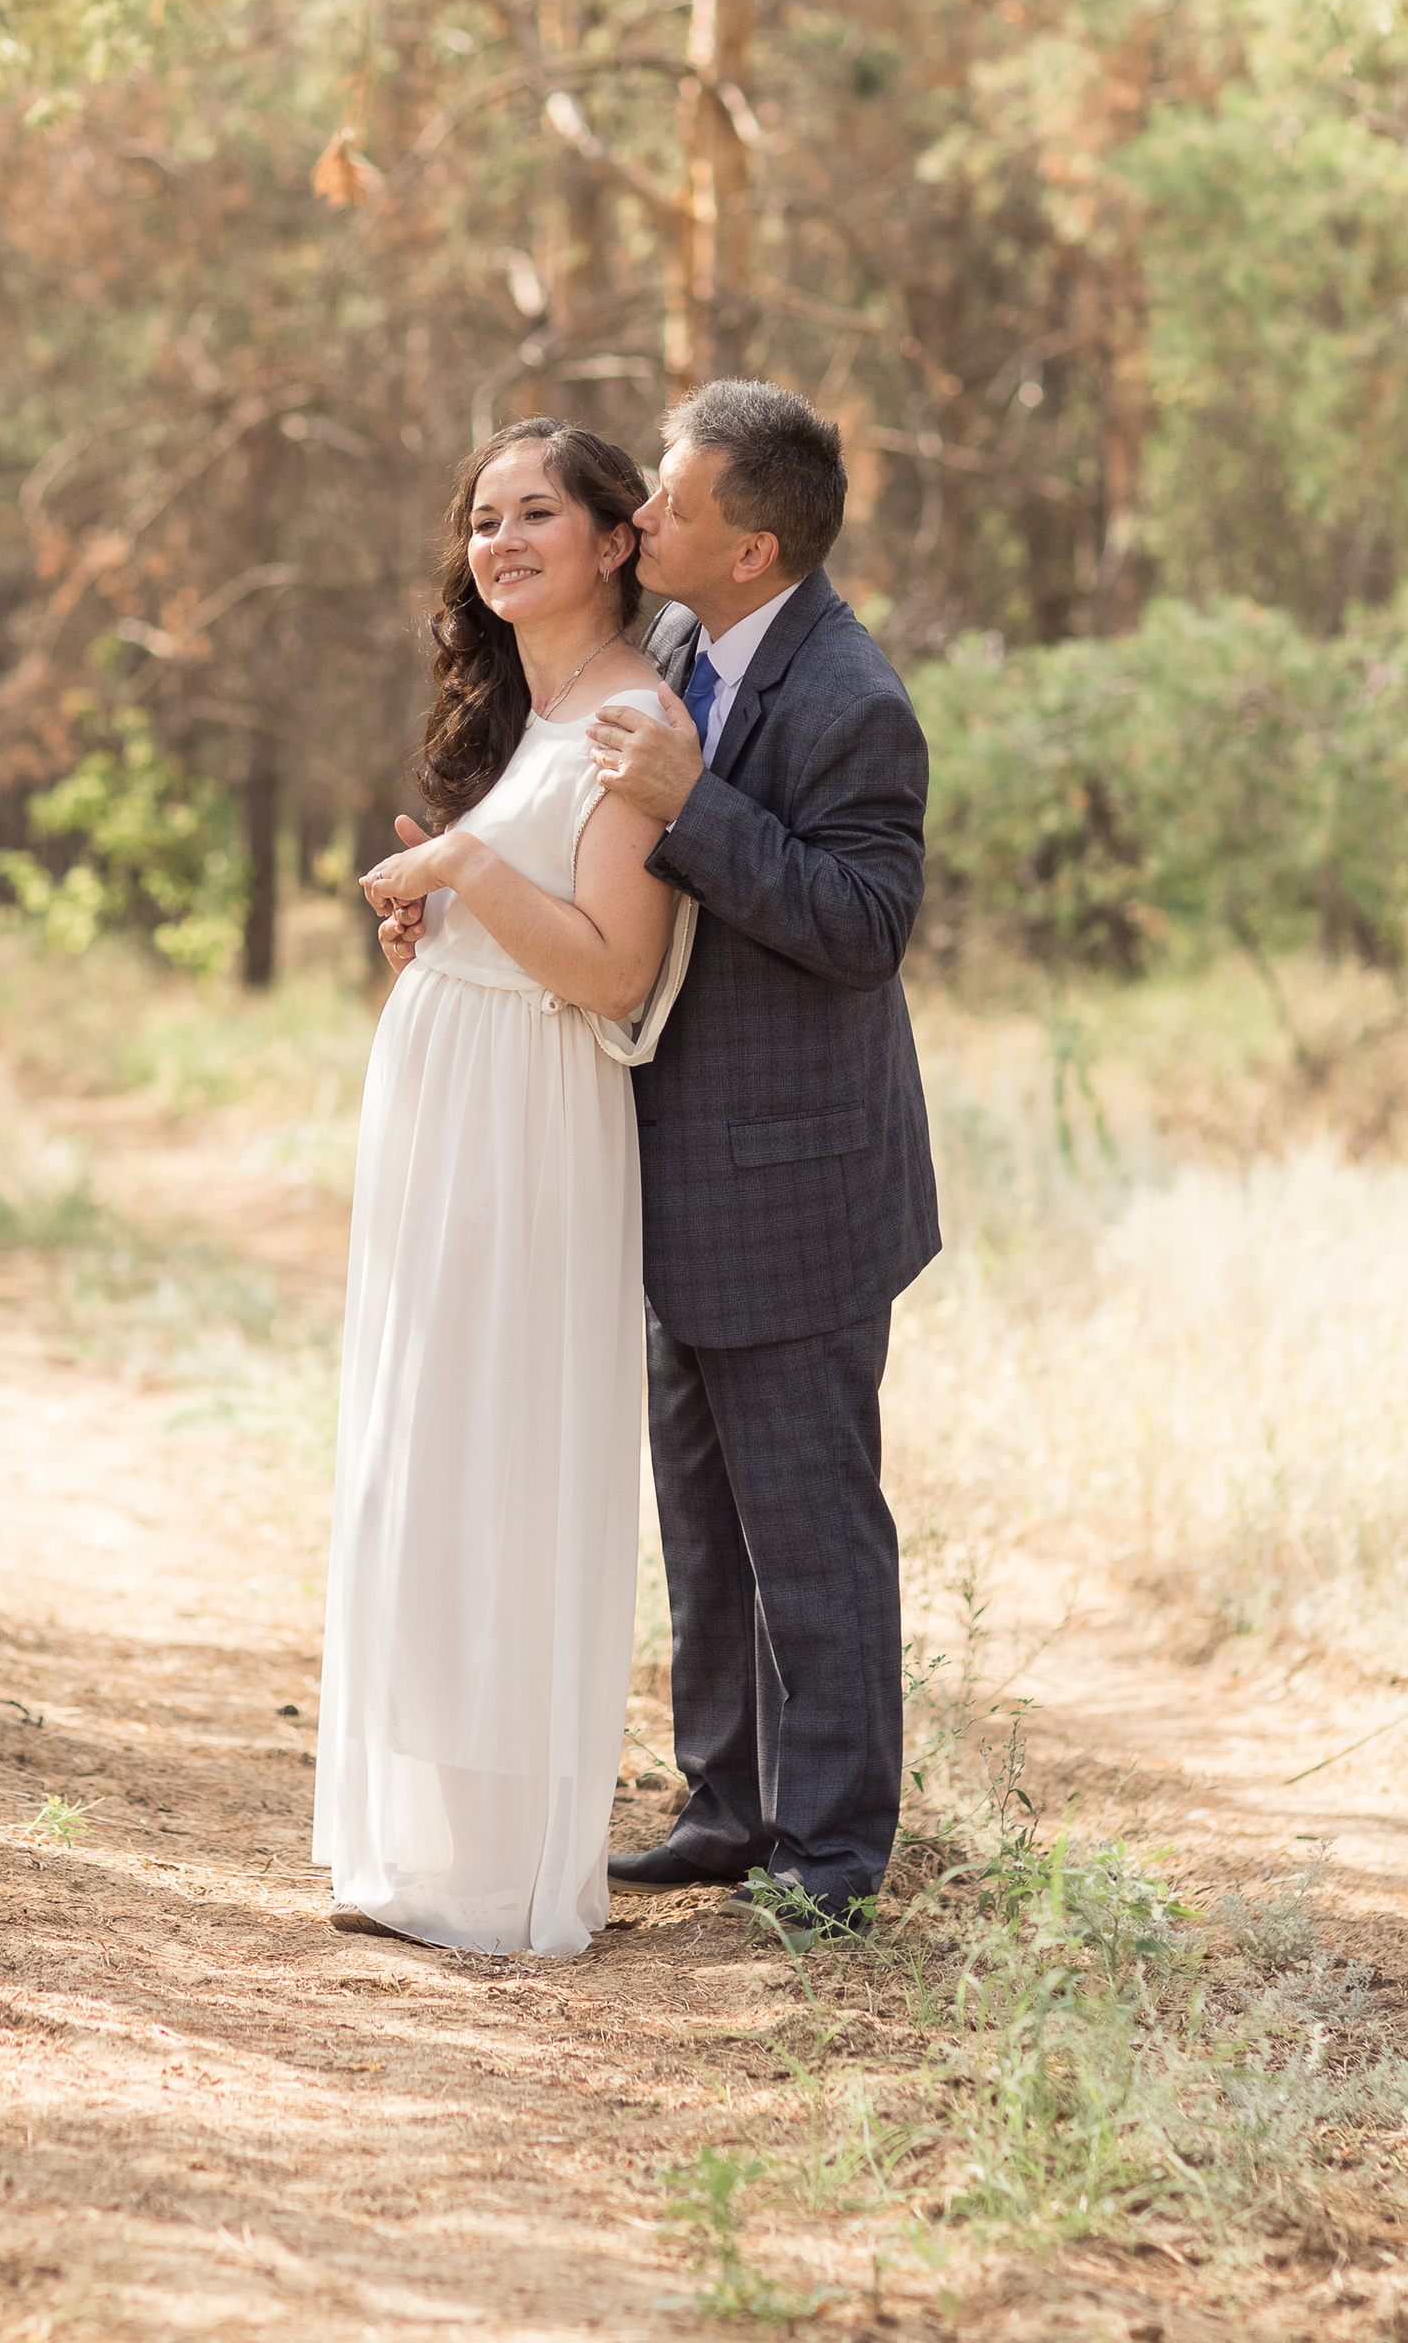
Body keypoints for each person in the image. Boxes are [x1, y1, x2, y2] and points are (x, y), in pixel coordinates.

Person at [312, 417, 684, 1958]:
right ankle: (438, 1851)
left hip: (533, 1119)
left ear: (618, 539)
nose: (503, 540)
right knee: (429, 1452)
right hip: (447, 1102)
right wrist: (448, 929)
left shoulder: (633, 722)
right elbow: (526, 918)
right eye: (482, 519)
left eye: (540, 512)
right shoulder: (525, 714)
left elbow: (611, 970)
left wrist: (469, 875)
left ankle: (503, 1875)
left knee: (502, 1455)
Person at [584, 379, 940, 1947]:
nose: (642, 516)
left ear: (756, 543)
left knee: (812, 1525)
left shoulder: (855, 697)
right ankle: (726, 1803)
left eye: (670, 500)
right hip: (677, 1166)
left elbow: (864, 932)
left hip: (799, 1187)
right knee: (702, 1515)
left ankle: (836, 1852)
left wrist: (694, 807)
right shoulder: (674, 648)